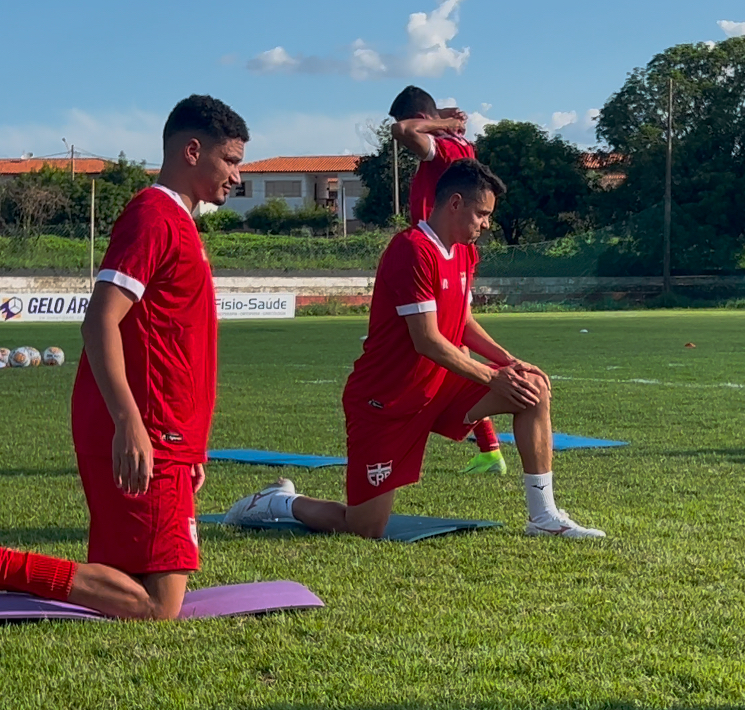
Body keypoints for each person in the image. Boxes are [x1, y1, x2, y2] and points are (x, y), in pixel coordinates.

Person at [0, 95, 248, 622]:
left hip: (167, 434)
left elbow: (174, 341)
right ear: (193, 151)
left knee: (130, 584)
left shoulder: (179, 222)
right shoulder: (154, 216)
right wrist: (130, 423)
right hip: (147, 429)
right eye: (232, 161)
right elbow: (99, 320)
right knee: (159, 605)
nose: (237, 177)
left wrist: (193, 448)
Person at [227, 159, 604, 540]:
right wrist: (493, 376)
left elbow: (462, 321)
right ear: (455, 203)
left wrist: (508, 362)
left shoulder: (464, 252)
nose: (487, 224)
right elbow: (427, 340)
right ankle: (278, 501)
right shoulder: (411, 249)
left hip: (439, 388)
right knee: (365, 527)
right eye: (482, 213)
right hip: (385, 402)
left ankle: (543, 516)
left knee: (532, 389)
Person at [389, 84, 505, 476]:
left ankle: (481, 442)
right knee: (451, 334)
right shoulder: (459, 146)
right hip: (446, 251)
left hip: (438, 250)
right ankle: (489, 446)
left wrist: (437, 123)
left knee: (438, 341)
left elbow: (403, 130)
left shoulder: (443, 146)